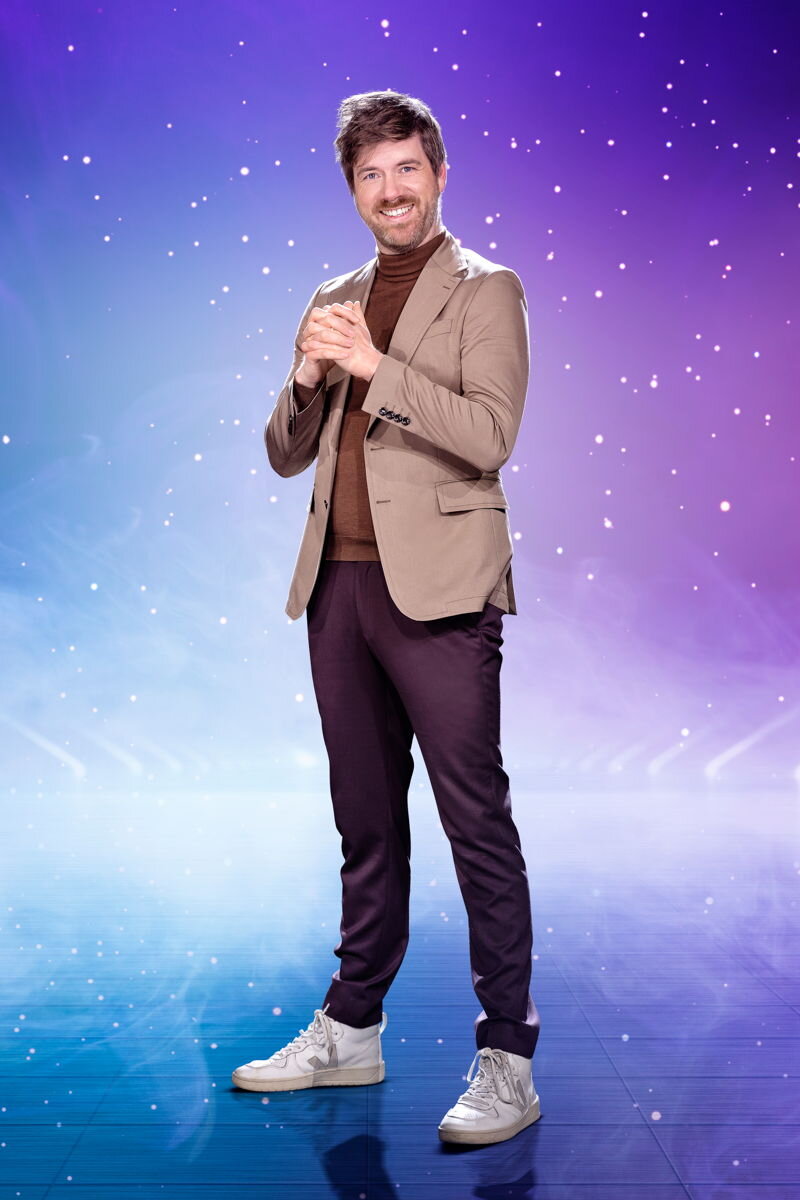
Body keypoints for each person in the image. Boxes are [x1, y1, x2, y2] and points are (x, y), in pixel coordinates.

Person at [231, 90, 541, 1146]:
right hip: (340, 588)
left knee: (474, 821)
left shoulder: (486, 288)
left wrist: (375, 368)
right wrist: (309, 373)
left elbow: (489, 435)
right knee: (364, 821)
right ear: (353, 189)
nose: (391, 189)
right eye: (371, 174)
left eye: (407, 168)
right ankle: (351, 1029)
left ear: (439, 175)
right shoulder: (334, 294)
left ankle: (508, 1057)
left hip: (443, 591)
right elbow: (284, 453)